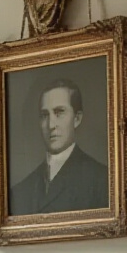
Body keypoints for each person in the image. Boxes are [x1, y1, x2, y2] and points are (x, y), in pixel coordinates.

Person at [9, 80, 109, 216]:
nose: (51, 125)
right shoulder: (20, 191)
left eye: (59, 112)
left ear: (77, 119)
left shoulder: (102, 180)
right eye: (45, 116)